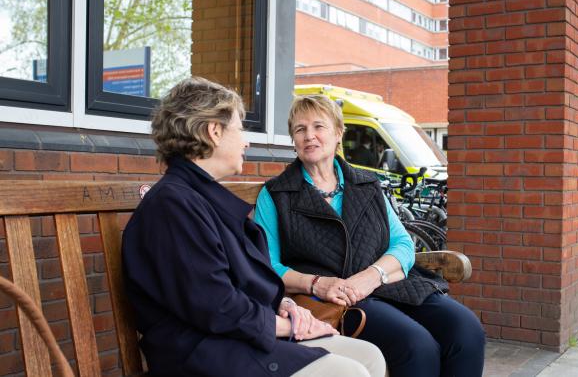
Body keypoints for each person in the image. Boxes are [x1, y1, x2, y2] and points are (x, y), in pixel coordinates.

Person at [121, 77, 386, 377]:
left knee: (369, 356)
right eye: (240, 128)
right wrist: (291, 326)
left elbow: (236, 286)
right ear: (214, 131)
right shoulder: (172, 206)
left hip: (234, 338)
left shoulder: (197, 198)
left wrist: (285, 305)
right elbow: (215, 305)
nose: (246, 141)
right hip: (202, 353)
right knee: (348, 372)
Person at [255, 94, 485, 377]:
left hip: (385, 284)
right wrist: (318, 284)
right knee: (416, 344)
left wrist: (373, 276)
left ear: (338, 133)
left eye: (318, 127)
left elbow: (402, 244)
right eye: (300, 129)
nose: (309, 136)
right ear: (293, 138)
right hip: (334, 300)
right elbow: (268, 266)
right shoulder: (277, 194)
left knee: (466, 329)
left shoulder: (367, 184)